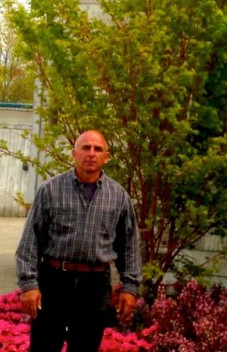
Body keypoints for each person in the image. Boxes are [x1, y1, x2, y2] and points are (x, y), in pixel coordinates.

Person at [16, 129, 142, 352]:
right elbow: (30, 242)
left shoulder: (119, 196)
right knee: (44, 346)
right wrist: (28, 285)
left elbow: (129, 245)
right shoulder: (50, 190)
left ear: (107, 156)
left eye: (98, 149)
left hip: (94, 287)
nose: (91, 153)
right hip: (53, 283)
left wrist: (130, 287)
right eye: (85, 147)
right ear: (74, 153)